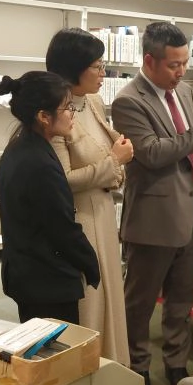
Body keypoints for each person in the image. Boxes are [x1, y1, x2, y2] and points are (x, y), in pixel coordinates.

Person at [110, 21, 193, 385]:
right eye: (173, 65)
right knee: (140, 300)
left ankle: (177, 362)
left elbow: (183, 145)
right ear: (149, 60)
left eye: (185, 63)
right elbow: (151, 153)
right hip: (153, 217)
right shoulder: (129, 100)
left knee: (182, 296)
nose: (181, 72)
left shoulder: (183, 91)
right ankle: (137, 365)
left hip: (191, 207)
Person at [46, 28, 134, 365]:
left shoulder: (93, 102)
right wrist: (114, 162)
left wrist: (115, 165)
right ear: (73, 69)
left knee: (111, 293)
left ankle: (112, 366)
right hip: (79, 219)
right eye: (96, 66)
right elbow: (63, 179)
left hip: (103, 210)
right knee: (91, 300)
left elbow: (107, 153)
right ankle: (89, 370)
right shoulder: (55, 111)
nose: (103, 73)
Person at [0, 71, 100, 324]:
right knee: (56, 345)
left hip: (27, 270)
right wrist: (91, 264)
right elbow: (62, 228)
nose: (72, 114)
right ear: (44, 116)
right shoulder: (39, 164)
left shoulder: (19, 146)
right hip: (46, 279)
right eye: (67, 108)